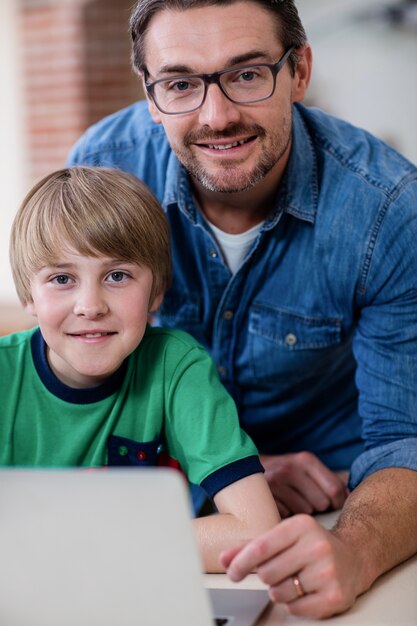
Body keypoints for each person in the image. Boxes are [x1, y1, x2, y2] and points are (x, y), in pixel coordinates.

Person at [67, 0, 417, 618]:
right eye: (180, 84)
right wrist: (229, 472)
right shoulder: (104, 170)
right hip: (172, 490)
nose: (217, 115)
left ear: (299, 71)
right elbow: (85, 382)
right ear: (150, 95)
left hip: (332, 506)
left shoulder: (388, 210)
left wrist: (355, 553)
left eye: (248, 73)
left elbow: (406, 440)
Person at [3, 165, 279, 573]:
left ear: (156, 292)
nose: (90, 305)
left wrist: (74, 540)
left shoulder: (176, 368)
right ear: (29, 295)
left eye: (117, 275)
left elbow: (256, 531)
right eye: (62, 278)